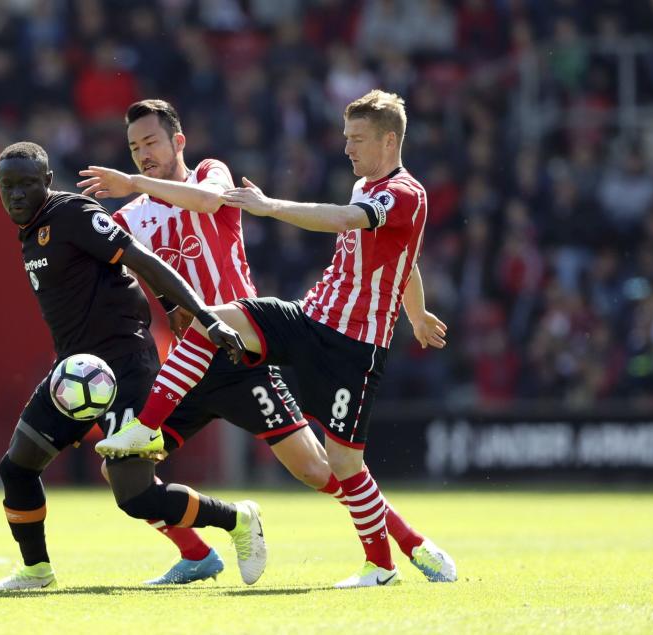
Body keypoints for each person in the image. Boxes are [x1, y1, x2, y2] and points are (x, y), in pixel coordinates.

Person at [78, 99, 455, 585]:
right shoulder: (131, 216)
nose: (143, 154)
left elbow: (210, 202)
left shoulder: (211, 174)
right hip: (188, 367)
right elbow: (93, 256)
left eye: (151, 142)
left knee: (321, 471)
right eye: (134, 148)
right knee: (122, 472)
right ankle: (197, 552)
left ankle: (407, 545)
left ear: (178, 142)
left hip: (243, 353)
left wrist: (136, 184)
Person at [0, 141, 264, 592]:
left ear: (48, 183)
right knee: (16, 469)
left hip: (125, 367)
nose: (15, 195)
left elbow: (142, 260)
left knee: (135, 496)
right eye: (7, 186)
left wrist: (206, 317)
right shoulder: (32, 230)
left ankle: (237, 519)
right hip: (75, 373)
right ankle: (36, 571)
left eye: (27, 184)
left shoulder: (72, 214)